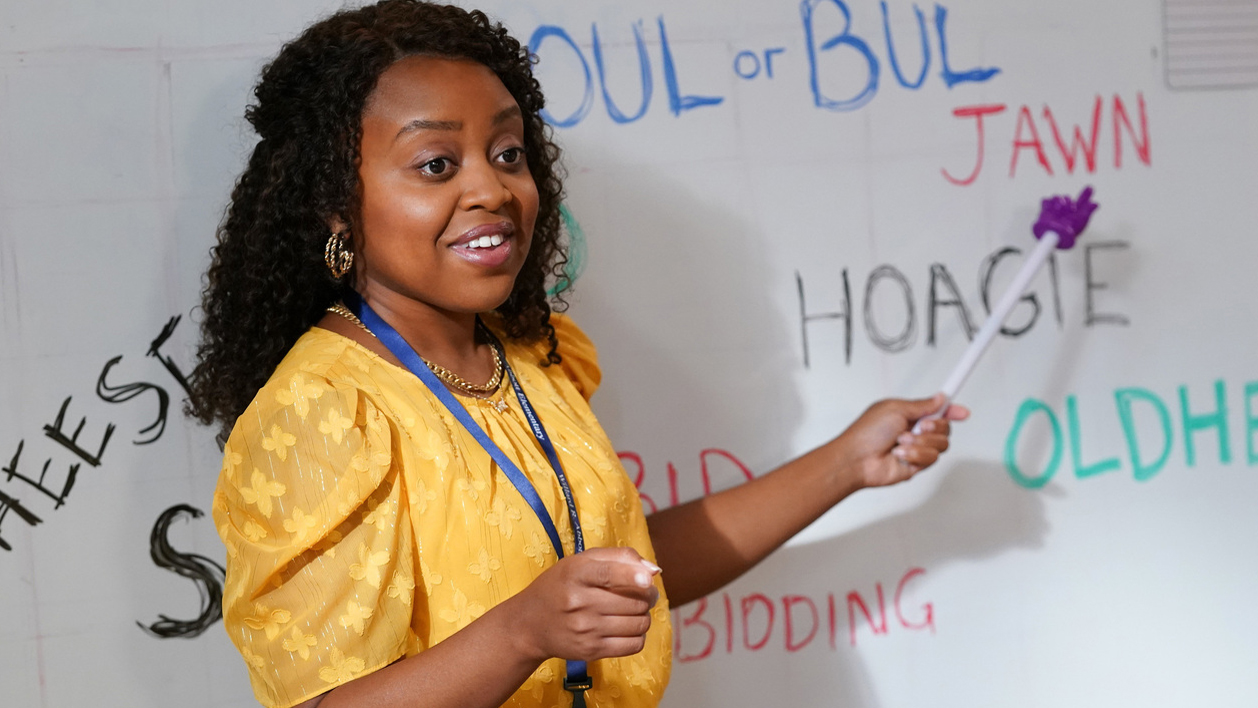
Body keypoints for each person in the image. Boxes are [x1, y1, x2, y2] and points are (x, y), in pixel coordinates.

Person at [189, 2, 968, 707]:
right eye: (436, 164)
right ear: (335, 204)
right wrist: (521, 633)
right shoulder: (323, 415)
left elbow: (619, 574)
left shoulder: (534, 358)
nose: (492, 190)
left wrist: (847, 465)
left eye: (507, 152)